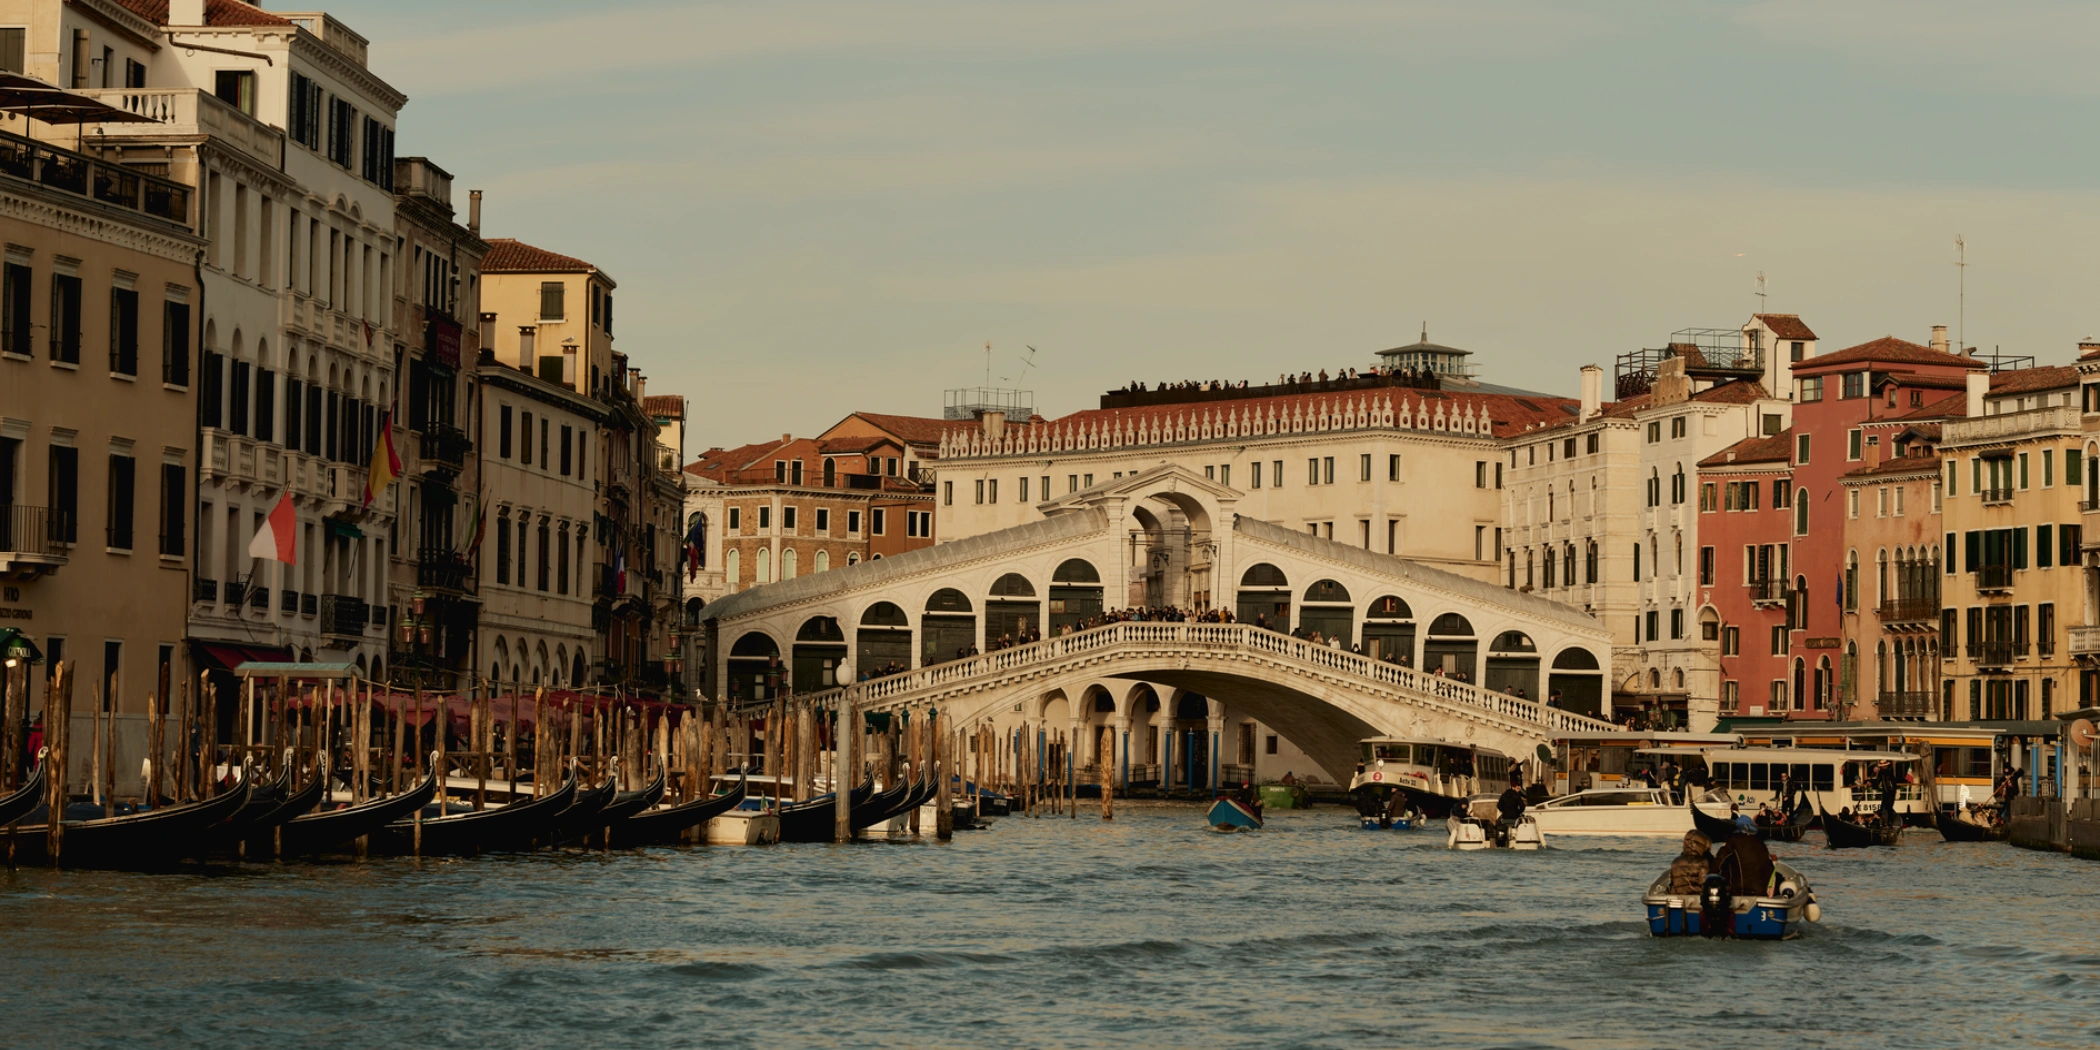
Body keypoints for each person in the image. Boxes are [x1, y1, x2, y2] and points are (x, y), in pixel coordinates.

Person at [1666, 830, 1713, 895]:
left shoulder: (1676, 861)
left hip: (1679, 896)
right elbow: (1704, 883)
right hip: (1696, 897)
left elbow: (1673, 882)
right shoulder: (1702, 861)